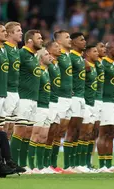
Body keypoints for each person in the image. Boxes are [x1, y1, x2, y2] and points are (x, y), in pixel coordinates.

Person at [11, 30, 43, 170]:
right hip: (23, 98)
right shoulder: (21, 54)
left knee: (28, 132)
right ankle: (12, 163)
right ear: (29, 40)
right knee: (19, 131)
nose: (41, 40)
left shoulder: (33, 56)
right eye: (39, 38)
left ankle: (23, 165)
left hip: (33, 99)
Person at [27, 48, 54, 174]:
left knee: (44, 137)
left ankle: (41, 166)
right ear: (40, 58)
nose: (50, 56)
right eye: (47, 54)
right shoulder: (38, 72)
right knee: (35, 135)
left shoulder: (47, 72)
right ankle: (31, 166)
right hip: (39, 106)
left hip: (47, 106)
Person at [97, 41, 114, 172]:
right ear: (108, 50)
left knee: (111, 134)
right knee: (103, 133)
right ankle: (102, 165)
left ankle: (108, 162)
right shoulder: (103, 64)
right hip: (105, 102)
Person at [52, 30, 74, 172]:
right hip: (58, 97)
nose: (70, 39)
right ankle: (48, 163)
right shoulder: (56, 56)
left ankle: (54, 164)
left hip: (68, 97)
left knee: (61, 132)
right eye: (67, 37)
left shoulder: (67, 56)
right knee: (54, 131)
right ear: (58, 41)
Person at [67, 32, 87, 172]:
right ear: (74, 43)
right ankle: (68, 164)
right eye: (81, 40)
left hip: (81, 97)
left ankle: (75, 164)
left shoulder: (80, 58)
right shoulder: (71, 57)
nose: (84, 42)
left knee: (78, 131)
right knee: (71, 130)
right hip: (73, 97)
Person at [78, 45, 98, 172]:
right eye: (94, 51)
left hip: (92, 103)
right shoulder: (85, 66)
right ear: (88, 53)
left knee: (90, 134)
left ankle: (86, 163)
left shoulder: (94, 67)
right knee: (82, 133)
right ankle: (78, 164)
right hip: (84, 102)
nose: (97, 53)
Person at [44, 41, 63, 172]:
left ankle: (52, 164)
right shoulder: (48, 64)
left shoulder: (56, 64)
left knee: (56, 132)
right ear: (49, 51)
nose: (59, 49)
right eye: (56, 47)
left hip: (57, 101)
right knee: (48, 133)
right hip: (49, 101)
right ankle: (44, 164)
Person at [3, 22, 22, 139]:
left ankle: (6, 155)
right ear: (10, 33)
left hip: (16, 92)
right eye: (18, 31)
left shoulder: (17, 50)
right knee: (4, 126)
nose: (21, 33)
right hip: (6, 91)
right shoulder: (4, 48)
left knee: (11, 128)